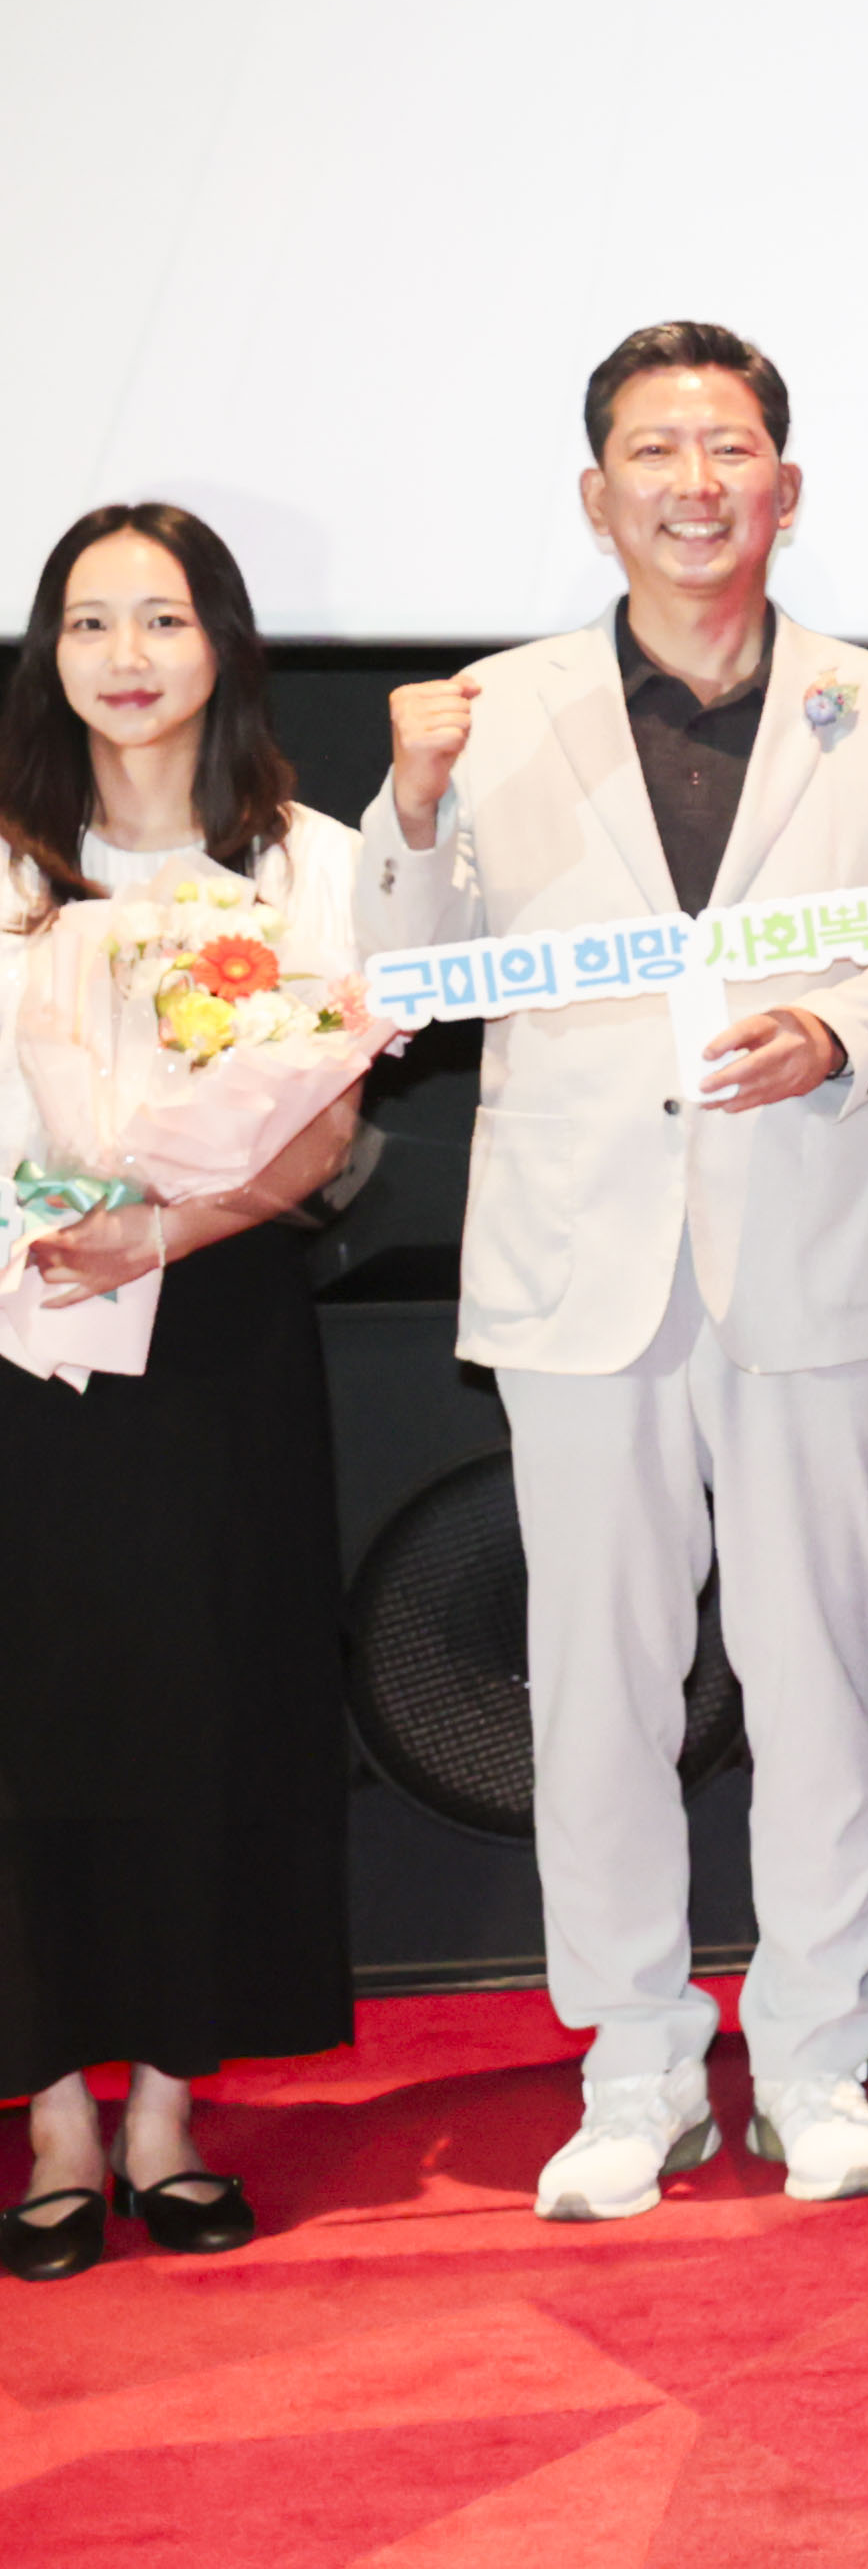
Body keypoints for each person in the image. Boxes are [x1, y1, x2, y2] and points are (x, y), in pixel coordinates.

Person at [359, 324, 868, 2219]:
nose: (695, 483)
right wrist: (407, 810)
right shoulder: (489, 711)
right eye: (656, 449)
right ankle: (634, 2066)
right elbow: (402, 976)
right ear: (596, 493)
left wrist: (843, 1033)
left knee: (821, 1672)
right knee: (598, 1686)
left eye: (729, 448)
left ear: (785, 485)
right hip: (581, 1259)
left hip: (810, 1241)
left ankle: (814, 2058)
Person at [2, 508, 367, 2277]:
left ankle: (163, 2105)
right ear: (48, 654)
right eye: (89, 623)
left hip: (212, 1329)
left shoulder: (306, 861)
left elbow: (329, 1119)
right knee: (34, 1714)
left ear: (222, 643)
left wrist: (167, 1226)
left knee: (205, 1702)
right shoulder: (5, 859)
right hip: (16, 1327)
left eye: (161, 619)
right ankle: (53, 2114)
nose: (126, 656)